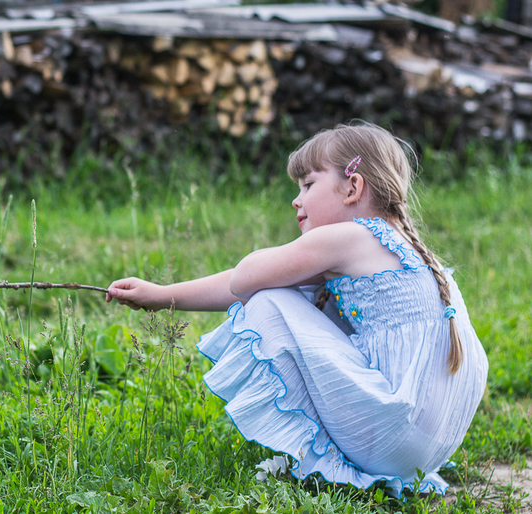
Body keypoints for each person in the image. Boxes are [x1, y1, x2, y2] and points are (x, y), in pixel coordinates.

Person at [105, 122, 488, 497]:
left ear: (353, 187)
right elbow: (236, 284)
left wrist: (255, 271)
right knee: (291, 295)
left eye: (308, 185)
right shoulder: (403, 249)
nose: (296, 200)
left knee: (269, 301)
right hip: (428, 448)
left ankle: (313, 457)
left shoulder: (350, 236)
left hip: (392, 437)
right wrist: (163, 294)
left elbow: (243, 282)